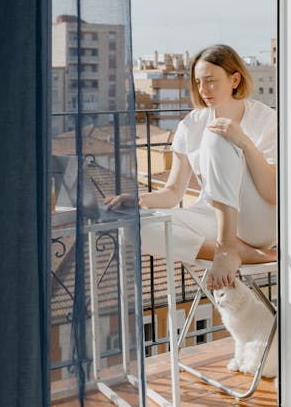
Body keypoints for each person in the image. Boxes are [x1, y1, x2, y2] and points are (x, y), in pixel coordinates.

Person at [105, 44, 277, 290]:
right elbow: (174, 192)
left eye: (210, 81)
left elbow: (272, 193)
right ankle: (240, 253)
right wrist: (139, 200)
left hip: (258, 221)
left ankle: (228, 248)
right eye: (198, 82)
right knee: (132, 226)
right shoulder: (191, 124)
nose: (203, 90)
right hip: (212, 218)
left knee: (217, 135)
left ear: (235, 79)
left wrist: (244, 142)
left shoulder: (265, 120)